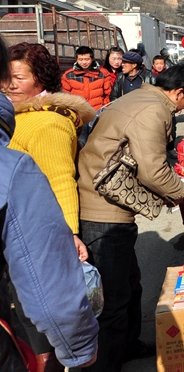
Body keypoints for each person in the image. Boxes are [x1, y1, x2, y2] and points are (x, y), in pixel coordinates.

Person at [76, 65, 184, 371]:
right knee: (113, 300)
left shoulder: (139, 98)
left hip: (107, 205)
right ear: (179, 92)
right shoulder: (153, 110)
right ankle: (106, 363)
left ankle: (128, 346)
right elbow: (152, 169)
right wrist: (181, 190)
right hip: (103, 212)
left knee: (130, 285)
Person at [0, 38, 99, 371]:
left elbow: (60, 180)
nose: (10, 85)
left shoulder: (47, 122)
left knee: (37, 324)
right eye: (6, 77)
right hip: (17, 228)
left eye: (19, 78)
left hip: (33, 232)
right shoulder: (18, 116)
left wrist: (69, 233)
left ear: (40, 79)